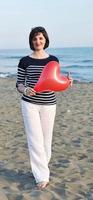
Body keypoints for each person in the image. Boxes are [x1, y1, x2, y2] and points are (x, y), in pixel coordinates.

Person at [16, 26, 72, 189]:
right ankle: (41, 176)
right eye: (34, 38)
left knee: (46, 140)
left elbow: (56, 80)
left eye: (40, 38)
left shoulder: (53, 60)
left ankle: (41, 168)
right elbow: (19, 83)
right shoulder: (24, 61)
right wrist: (25, 89)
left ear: (45, 39)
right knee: (35, 140)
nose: (37, 41)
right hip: (29, 104)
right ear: (31, 41)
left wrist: (67, 82)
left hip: (49, 104)